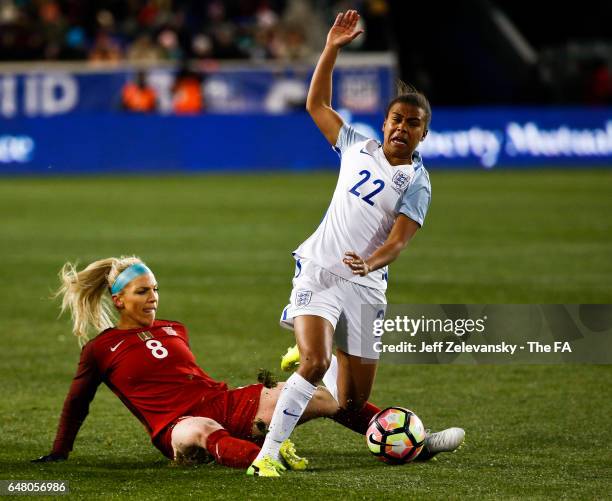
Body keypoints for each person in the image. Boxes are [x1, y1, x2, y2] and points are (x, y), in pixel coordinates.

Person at [252, 10, 464, 474]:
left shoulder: (417, 182)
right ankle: (266, 455)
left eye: (412, 124)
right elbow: (315, 105)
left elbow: (399, 242)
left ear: (423, 133)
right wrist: (331, 48)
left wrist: (371, 263)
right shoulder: (356, 145)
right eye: (395, 119)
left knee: (350, 402)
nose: (400, 128)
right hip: (322, 267)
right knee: (313, 361)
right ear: (384, 121)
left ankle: (315, 366)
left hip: (367, 286)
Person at [32, 256, 343, 477]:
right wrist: (60, 450)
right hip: (175, 428)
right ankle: (265, 457)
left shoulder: (175, 328)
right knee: (200, 428)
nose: (153, 297)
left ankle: (381, 427)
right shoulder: (99, 349)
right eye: (142, 291)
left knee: (322, 397)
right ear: (118, 300)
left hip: (222, 403)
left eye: (155, 289)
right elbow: (76, 403)